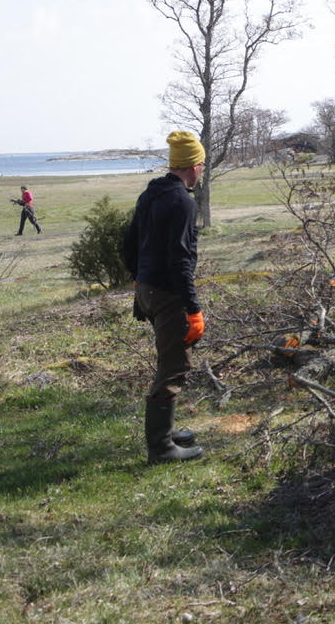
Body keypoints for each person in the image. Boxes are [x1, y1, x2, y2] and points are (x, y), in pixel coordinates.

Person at [122, 131, 208, 465]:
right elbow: (180, 261)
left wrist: (140, 279)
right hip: (168, 294)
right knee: (174, 367)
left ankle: (166, 432)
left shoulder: (151, 194)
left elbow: (129, 244)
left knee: (166, 359)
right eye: (201, 164)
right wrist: (194, 309)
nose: (202, 170)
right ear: (193, 166)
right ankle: (161, 448)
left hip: (148, 290)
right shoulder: (183, 202)